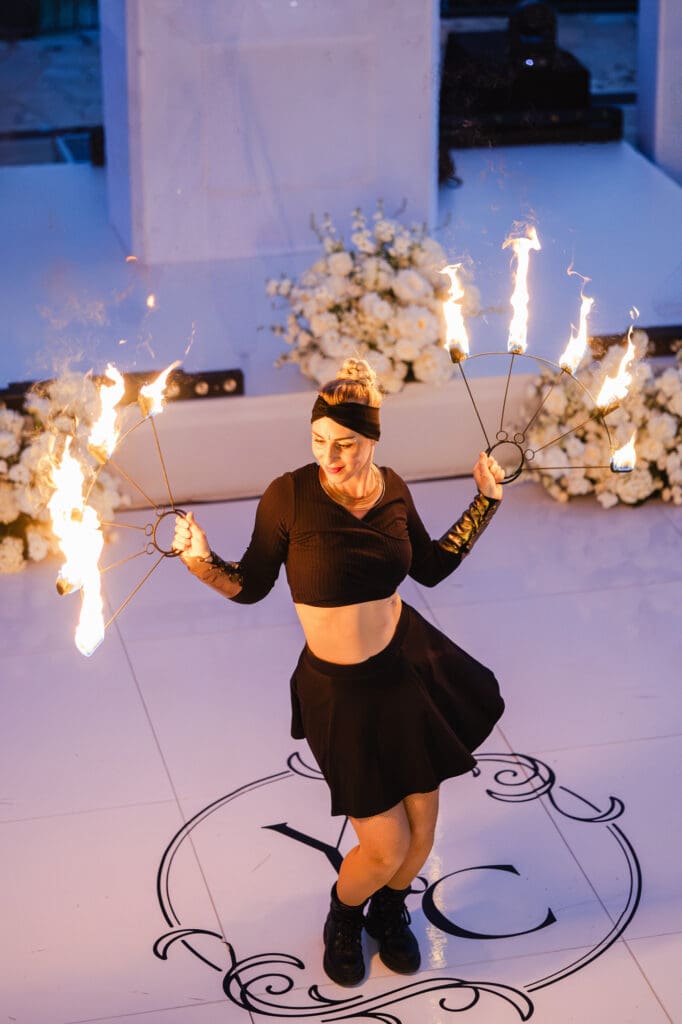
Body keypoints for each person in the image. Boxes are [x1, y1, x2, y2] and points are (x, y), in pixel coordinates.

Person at [172, 358, 505, 988]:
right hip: (338, 690)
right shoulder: (289, 496)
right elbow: (248, 586)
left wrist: (485, 502)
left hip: (405, 670)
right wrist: (200, 561)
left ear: (372, 439)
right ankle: (345, 914)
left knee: (421, 832)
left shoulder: (395, 488)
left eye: (345, 444)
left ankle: (390, 906)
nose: (331, 456)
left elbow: (429, 568)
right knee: (382, 847)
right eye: (320, 441)